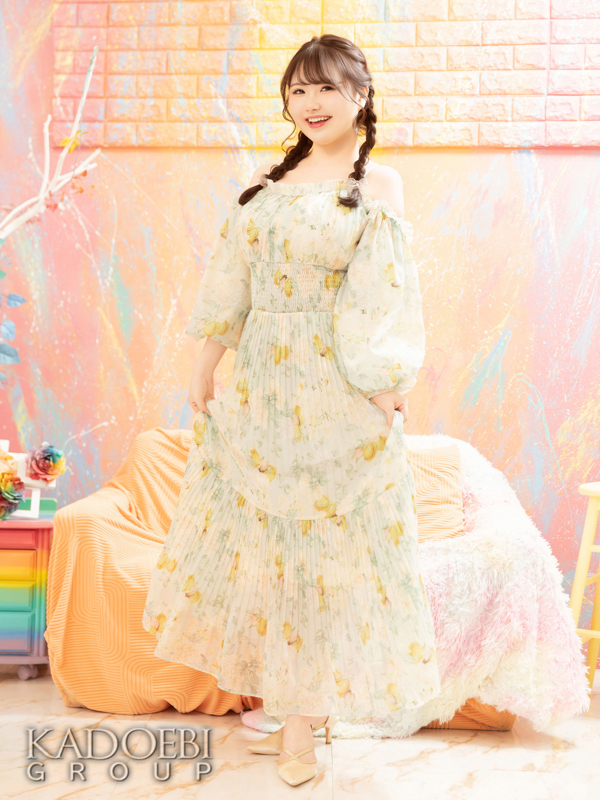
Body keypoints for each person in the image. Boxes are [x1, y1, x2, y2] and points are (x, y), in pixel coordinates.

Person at [142, 33, 441, 787]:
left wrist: (383, 383)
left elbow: (381, 293)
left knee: (327, 555)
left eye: (326, 88)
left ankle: (303, 726)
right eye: (298, 90)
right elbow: (230, 277)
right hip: (260, 390)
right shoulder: (265, 181)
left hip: (333, 388)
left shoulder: (380, 186)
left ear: (360, 96)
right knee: (271, 551)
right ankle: (296, 707)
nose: (310, 103)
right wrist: (204, 365)